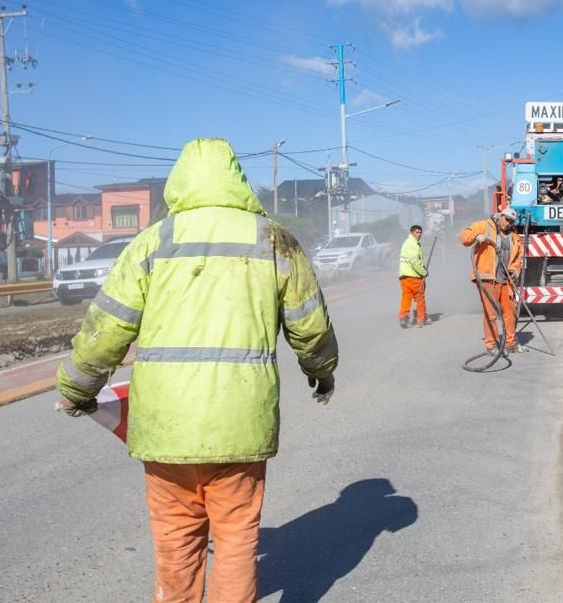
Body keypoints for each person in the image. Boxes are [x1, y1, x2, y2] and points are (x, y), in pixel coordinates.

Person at [54, 138, 338, 602]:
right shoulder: (274, 240)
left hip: (166, 426)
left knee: (177, 541)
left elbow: (106, 328)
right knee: (235, 539)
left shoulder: (152, 242)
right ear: (239, 179)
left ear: (178, 182)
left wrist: (77, 387)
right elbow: (311, 326)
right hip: (242, 423)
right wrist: (322, 371)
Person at [458, 207, 527, 355]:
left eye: (512, 221)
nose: (508, 223)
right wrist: (477, 236)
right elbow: (463, 236)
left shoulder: (513, 236)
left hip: (505, 281)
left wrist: (515, 270)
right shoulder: (485, 226)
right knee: (491, 314)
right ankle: (492, 345)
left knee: (510, 312)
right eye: (507, 219)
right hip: (488, 279)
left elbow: (518, 259)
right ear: (501, 216)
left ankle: (510, 343)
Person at [398, 224, 430, 328]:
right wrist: (424, 272)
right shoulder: (413, 244)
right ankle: (421, 319)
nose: (419, 234)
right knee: (420, 297)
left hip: (404, 276)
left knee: (406, 297)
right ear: (412, 232)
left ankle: (404, 317)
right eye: (417, 232)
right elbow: (415, 262)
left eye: (420, 232)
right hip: (414, 277)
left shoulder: (406, 242)